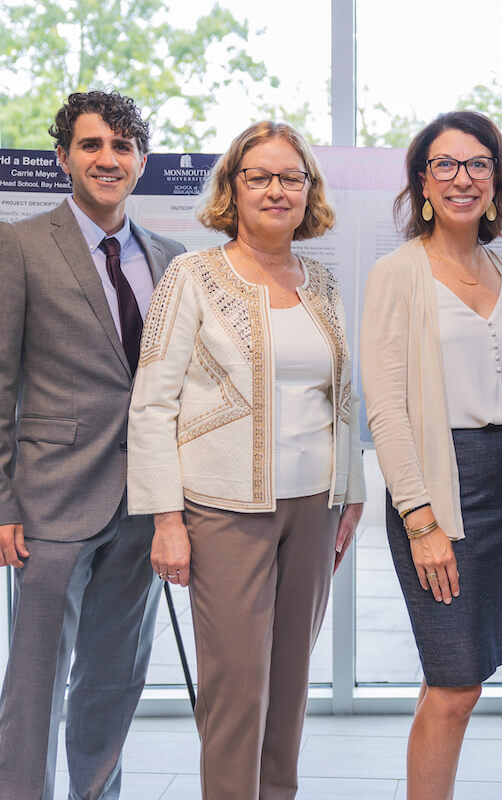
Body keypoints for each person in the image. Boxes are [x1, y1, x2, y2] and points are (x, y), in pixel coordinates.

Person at [126, 120, 364, 800]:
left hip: (315, 508)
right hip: (224, 509)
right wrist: (166, 518)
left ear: (308, 191)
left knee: (290, 685)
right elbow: (152, 404)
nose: (276, 189)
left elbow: (341, 397)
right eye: (258, 176)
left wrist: (352, 492)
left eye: (292, 177)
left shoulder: (320, 280)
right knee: (237, 690)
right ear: (232, 186)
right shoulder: (193, 275)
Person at [0, 90, 185, 800]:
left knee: (114, 679)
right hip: (49, 504)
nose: (107, 159)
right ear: (63, 157)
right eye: (91, 146)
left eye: (121, 148)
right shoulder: (17, 246)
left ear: (141, 162)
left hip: (144, 505)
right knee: (34, 687)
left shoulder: (173, 261)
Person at [360, 110, 502, 799]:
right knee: (454, 683)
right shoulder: (397, 273)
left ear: (497, 181)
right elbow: (387, 408)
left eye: (477, 164)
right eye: (445, 165)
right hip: (437, 486)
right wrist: (420, 518)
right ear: (422, 183)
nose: (462, 178)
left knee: (467, 679)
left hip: (501, 490)